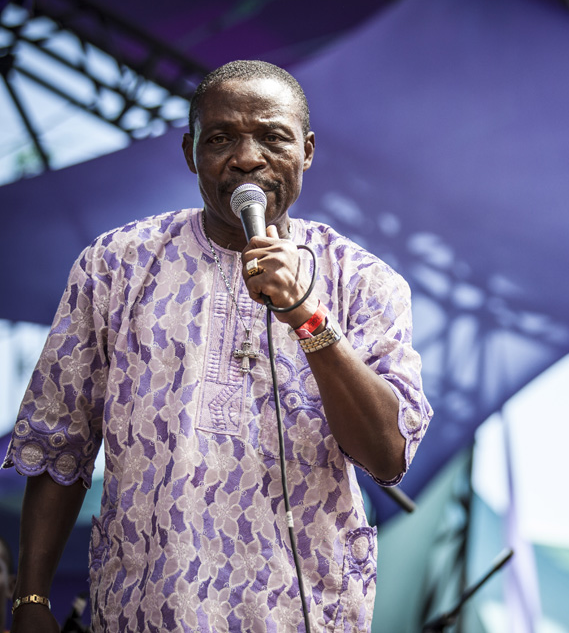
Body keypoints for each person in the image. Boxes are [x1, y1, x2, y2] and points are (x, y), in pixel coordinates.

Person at [4, 60, 433, 632]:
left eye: (273, 138)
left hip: (298, 614)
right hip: (141, 609)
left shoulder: (364, 282)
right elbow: (60, 445)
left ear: (306, 151)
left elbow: (387, 455)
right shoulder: (115, 265)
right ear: (191, 153)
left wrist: (306, 315)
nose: (248, 157)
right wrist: (30, 600)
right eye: (222, 138)